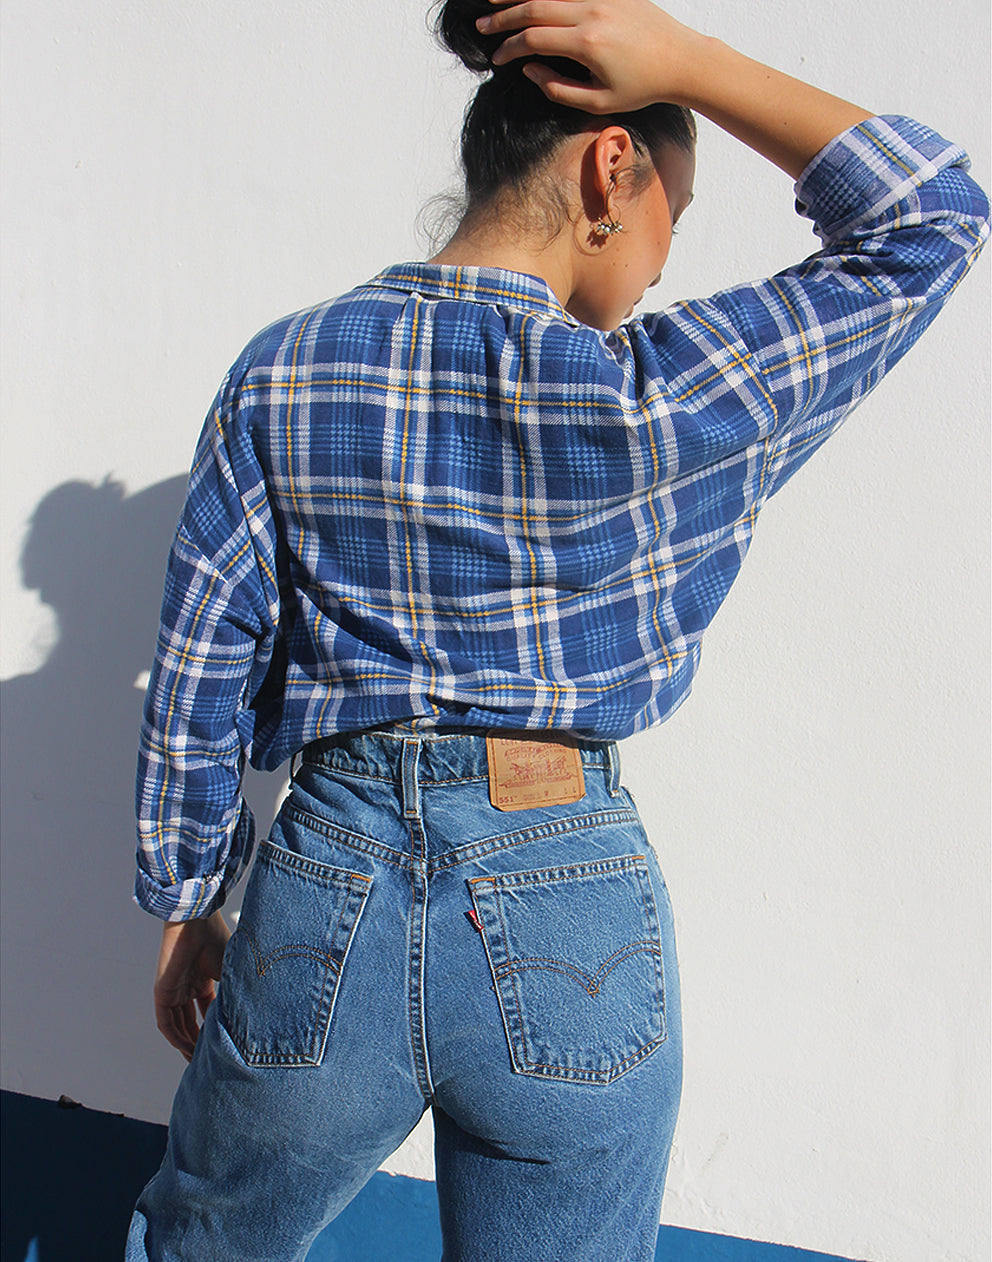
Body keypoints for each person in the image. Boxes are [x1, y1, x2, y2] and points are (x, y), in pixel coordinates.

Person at [125, 1, 989, 1258]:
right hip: (569, 897)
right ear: (609, 167)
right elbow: (930, 212)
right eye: (669, 221)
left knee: (198, 1247)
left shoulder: (287, 370)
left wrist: (186, 903)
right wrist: (686, 58)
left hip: (326, 889)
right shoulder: (665, 389)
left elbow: (201, 657)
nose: (659, 264)